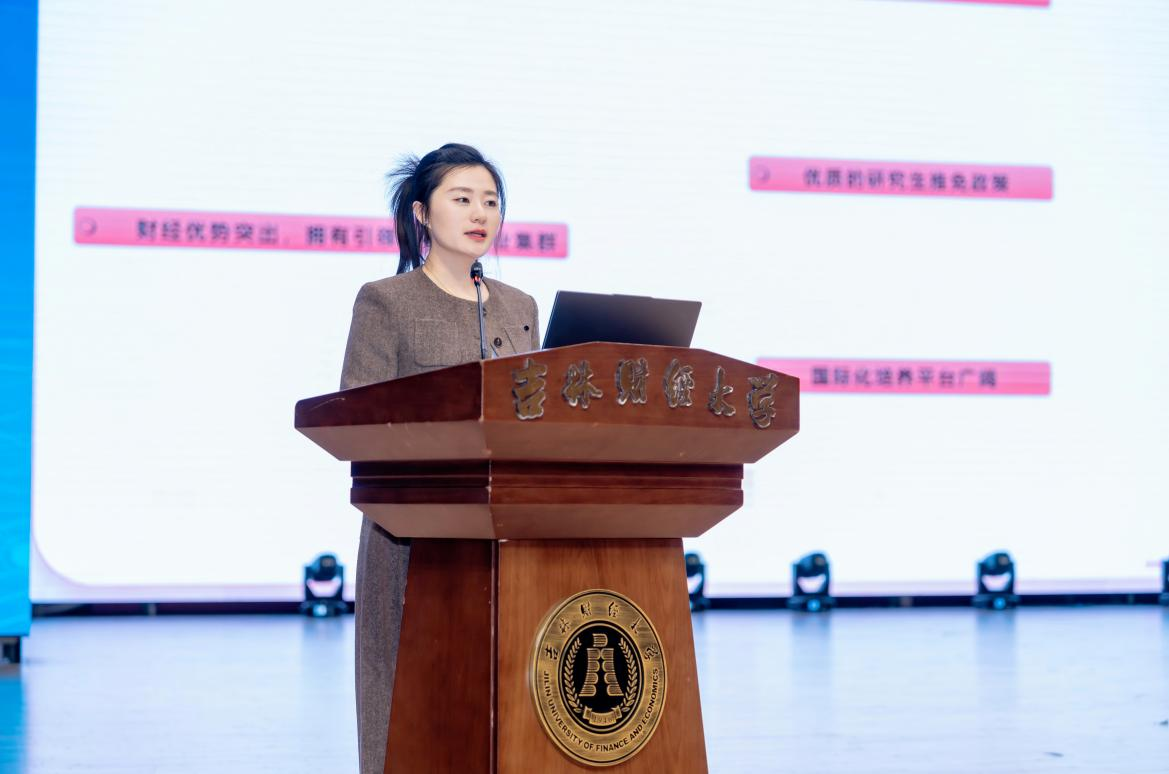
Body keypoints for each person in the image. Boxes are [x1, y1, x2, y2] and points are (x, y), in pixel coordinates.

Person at [339, 143, 540, 774]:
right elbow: (359, 416)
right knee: (409, 710)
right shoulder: (386, 301)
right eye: (463, 199)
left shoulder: (520, 308)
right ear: (422, 213)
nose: (481, 213)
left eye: (491, 201)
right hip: (411, 538)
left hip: (507, 541)